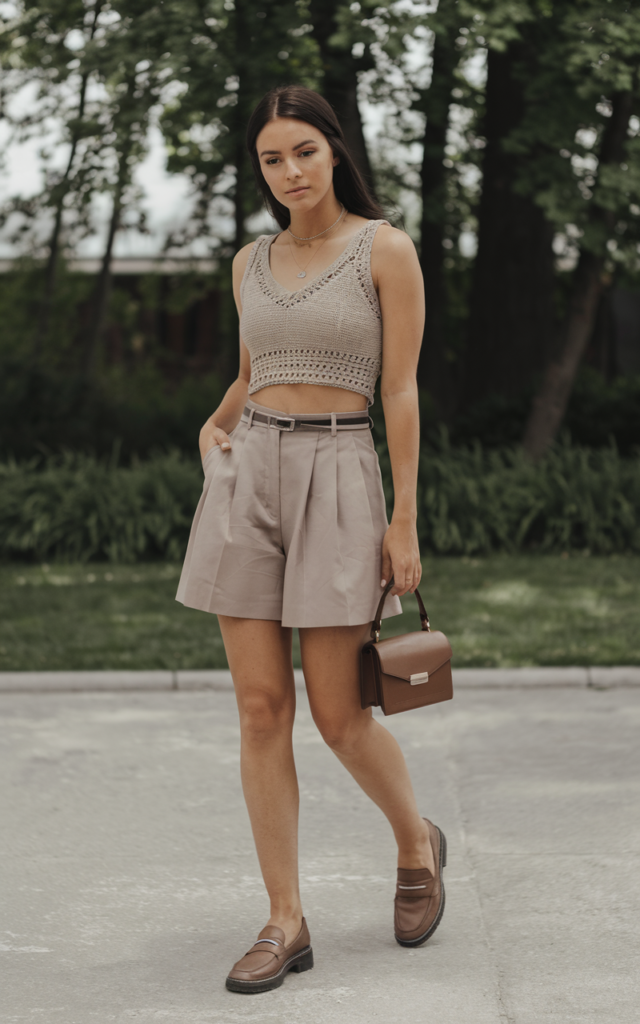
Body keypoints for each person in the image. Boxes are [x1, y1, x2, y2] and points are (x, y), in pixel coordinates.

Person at [176, 84, 446, 994]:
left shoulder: (384, 249)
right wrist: (213, 425)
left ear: (334, 151)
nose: (289, 171)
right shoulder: (250, 261)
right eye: (271, 159)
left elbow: (399, 389)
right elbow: (253, 374)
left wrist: (404, 517)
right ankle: (285, 920)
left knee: (339, 714)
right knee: (261, 710)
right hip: (249, 474)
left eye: (303, 151)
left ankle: (416, 842)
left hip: (339, 473)